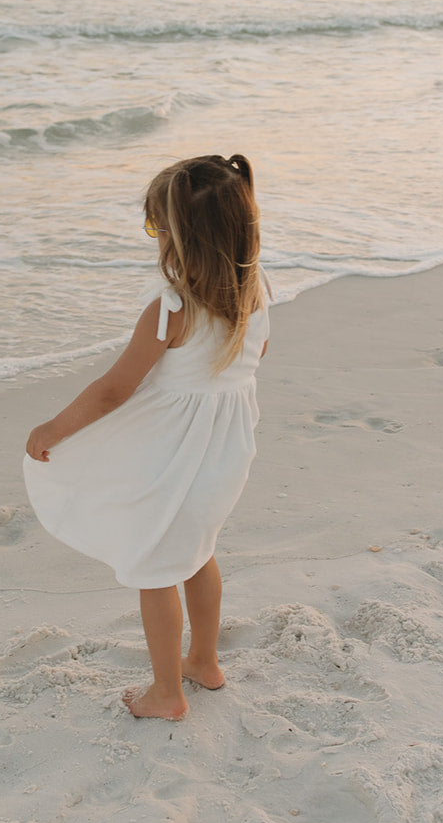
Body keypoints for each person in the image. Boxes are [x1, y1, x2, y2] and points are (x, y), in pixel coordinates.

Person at [23, 153, 269, 721]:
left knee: (155, 567)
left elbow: (115, 390)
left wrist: (54, 428)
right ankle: (203, 662)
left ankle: (166, 694)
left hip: (173, 456)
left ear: (181, 239)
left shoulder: (171, 309)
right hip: (226, 450)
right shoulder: (257, 290)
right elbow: (254, 357)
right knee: (198, 552)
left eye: (155, 227)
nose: (153, 238)